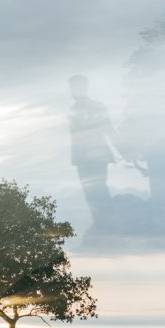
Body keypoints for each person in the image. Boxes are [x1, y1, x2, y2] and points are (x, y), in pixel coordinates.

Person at [68, 75, 120, 229]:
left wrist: (125, 150)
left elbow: (108, 129)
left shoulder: (96, 107)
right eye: (71, 87)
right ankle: (102, 225)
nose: (72, 90)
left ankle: (107, 226)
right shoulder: (73, 110)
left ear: (84, 87)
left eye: (76, 86)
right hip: (83, 159)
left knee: (98, 192)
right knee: (91, 194)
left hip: (96, 157)